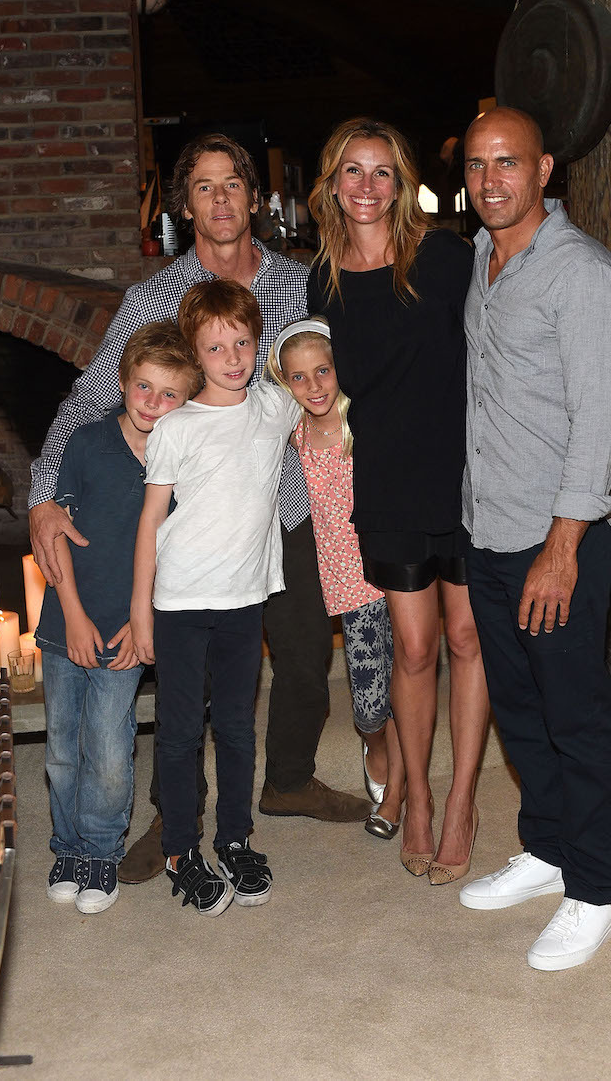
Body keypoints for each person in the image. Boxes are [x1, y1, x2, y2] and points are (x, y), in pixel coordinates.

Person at [28, 133, 370, 885]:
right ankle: (169, 814)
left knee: (307, 652)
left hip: (285, 499)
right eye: (204, 188)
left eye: (233, 185)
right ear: (186, 207)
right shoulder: (153, 299)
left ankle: (286, 781)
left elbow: (337, 364)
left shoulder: (299, 282)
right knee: (180, 681)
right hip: (187, 515)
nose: (220, 200)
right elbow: (90, 397)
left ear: (254, 197)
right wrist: (44, 496)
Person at [457, 106, 611, 971]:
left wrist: (562, 547)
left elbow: (602, 422)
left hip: (554, 539)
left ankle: (598, 890)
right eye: (478, 164)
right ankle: (551, 847)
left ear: (545, 170)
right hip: (488, 530)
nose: (491, 180)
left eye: (509, 163)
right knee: (521, 712)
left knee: (575, 715)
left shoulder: (583, 274)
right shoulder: (486, 266)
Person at [308, 116, 490, 884]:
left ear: (404, 183)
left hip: (468, 476)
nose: (368, 187)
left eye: (383, 171)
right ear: (331, 184)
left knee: (467, 641)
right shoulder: (321, 277)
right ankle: (415, 794)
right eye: (353, 170)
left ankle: (460, 803)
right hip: (385, 483)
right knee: (413, 648)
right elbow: (310, 380)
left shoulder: (446, 258)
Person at [131, 280, 299, 915]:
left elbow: (319, 385)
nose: (232, 357)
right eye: (215, 347)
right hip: (178, 601)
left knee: (234, 728)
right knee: (177, 733)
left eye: (242, 343)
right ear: (194, 354)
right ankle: (180, 846)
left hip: (244, 600)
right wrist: (139, 610)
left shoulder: (271, 408)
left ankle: (234, 838)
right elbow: (151, 521)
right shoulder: (176, 427)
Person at [36, 322, 202, 914]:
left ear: (188, 400)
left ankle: (101, 851)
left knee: (108, 746)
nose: (154, 403)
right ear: (124, 381)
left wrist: (144, 623)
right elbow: (58, 535)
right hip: (67, 621)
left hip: (128, 631)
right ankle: (68, 846)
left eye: (170, 394)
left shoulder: (182, 461)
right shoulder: (85, 444)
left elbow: (177, 555)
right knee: (61, 747)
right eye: (144, 387)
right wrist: (73, 616)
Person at [268, 317, 405, 838]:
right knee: (369, 696)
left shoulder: (361, 421)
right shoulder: (294, 434)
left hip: (391, 567)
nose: (314, 386)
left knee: (409, 669)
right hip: (345, 580)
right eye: (298, 377)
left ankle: (406, 768)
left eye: (322, 371)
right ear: (285, 383)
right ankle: (375, 741)